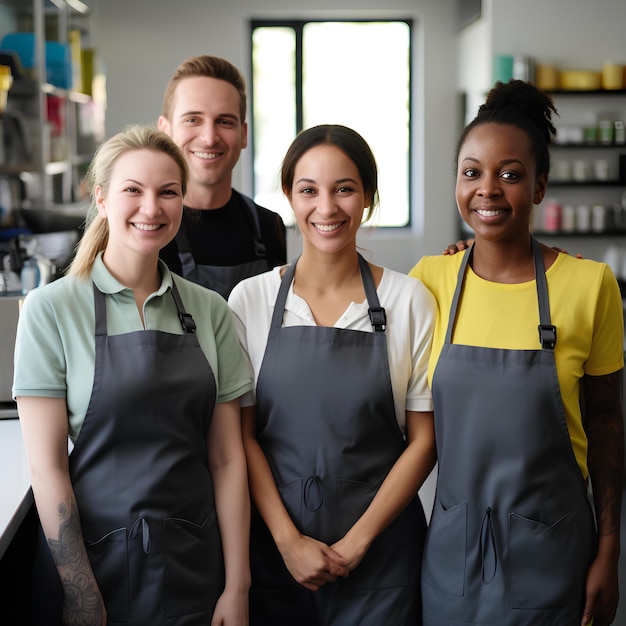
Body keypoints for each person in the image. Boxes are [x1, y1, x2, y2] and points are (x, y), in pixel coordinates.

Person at [13, 125, 252, 625]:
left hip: (194, 564)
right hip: (92, 561)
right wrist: (80, 592)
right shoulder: (50, 309)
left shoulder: (210, 312)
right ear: (101, 199)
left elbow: (228, 460)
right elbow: (48, 468)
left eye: (168, 192)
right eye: (132, 190)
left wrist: (237, 585)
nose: (152, 208)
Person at [409, 80, 624, 626]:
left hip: (554, 554)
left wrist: (610, 548)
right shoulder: (430, 280)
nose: (488, 189)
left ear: (539, 186)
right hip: (452, 556)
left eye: (510, 174)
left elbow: (605, 424)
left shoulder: (590, 284)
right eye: (472, 172)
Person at [228, 124, 438, 625]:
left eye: (344, 189)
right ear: (288, 196)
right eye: (309, 190)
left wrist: (358, 542)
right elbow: (242, 439)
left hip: (382, 557)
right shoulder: (249, 301)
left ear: (367, 197)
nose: (327, 208)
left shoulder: (408, 302)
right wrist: (288, 541)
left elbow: (424, 442)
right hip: (276, 556)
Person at [157, 55, 287, 299]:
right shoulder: (147, 228)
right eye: (192, 120)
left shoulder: (270, 228)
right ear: (165, 130)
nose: (209, 137)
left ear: (244, 134)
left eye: (225, 122)